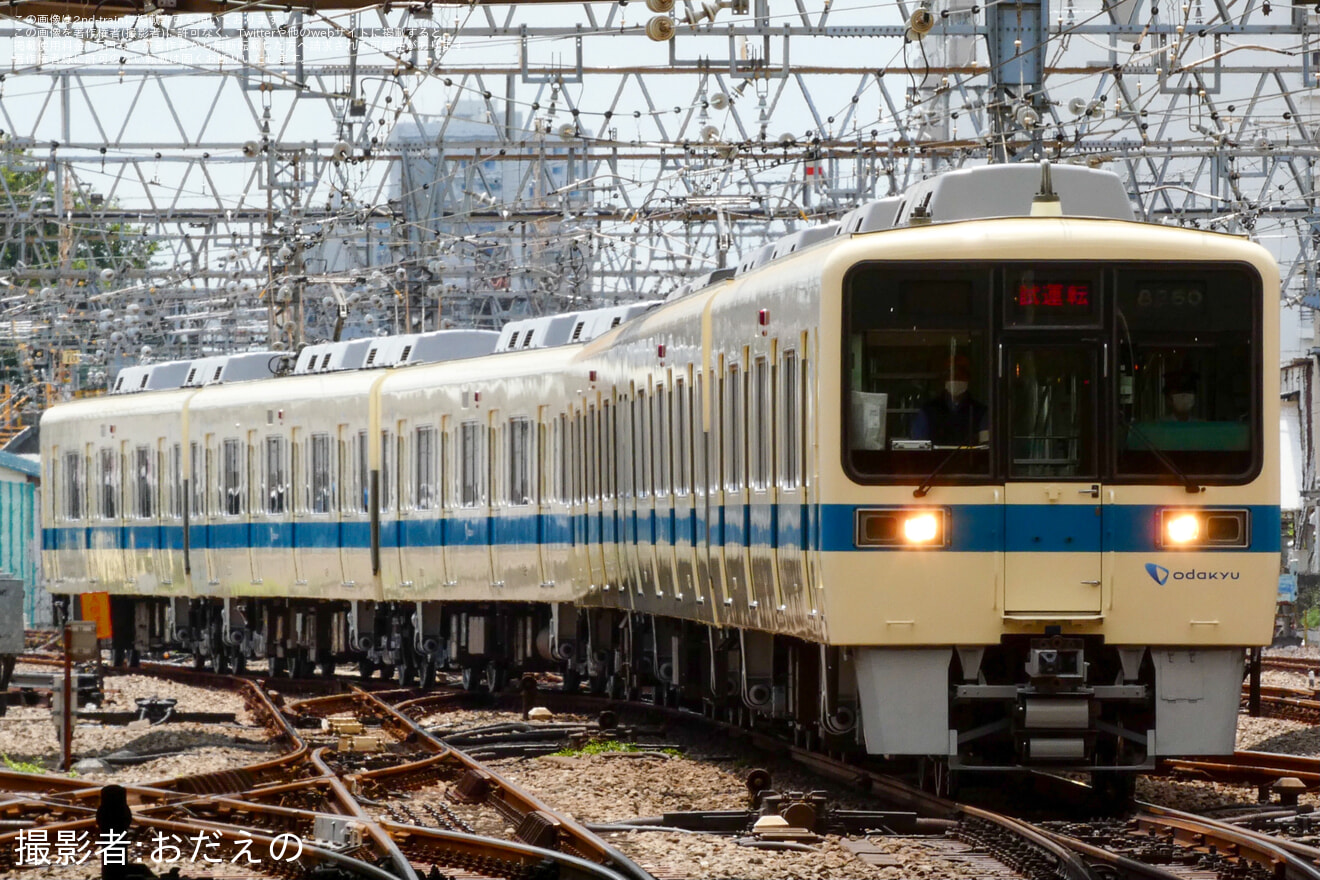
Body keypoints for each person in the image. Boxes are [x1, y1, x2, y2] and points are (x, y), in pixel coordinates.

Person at [912, 355, 989, 446]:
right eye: (951, 375)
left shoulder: (981, 412)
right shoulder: (928, 411)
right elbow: (918, 446)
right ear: (944, 378)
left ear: (968, 378)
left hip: (971, 460)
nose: (955, 379)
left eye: (960, 374)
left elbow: (985, 447)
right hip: (936, 460)